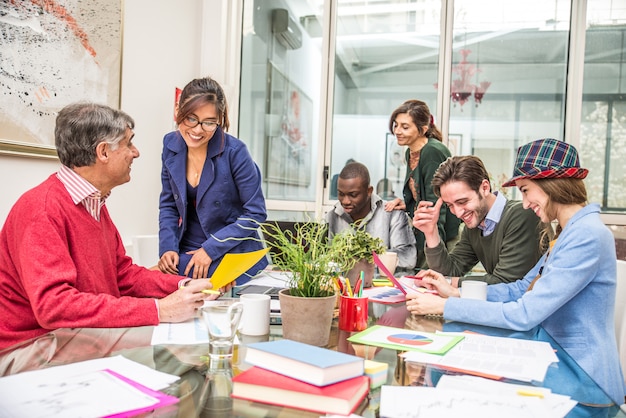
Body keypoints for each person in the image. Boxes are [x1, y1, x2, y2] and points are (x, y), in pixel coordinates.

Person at [406, 138, 626, 403]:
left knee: (457, 382)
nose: (523, 203)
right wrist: (455, 294)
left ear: (551, 185)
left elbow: (525, 313)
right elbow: (521, 288)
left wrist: (446, 306)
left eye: (525, 190)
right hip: (554, 356)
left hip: (583, 379)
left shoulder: (586, 235)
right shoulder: (571, 231)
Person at [0, 102, 220, 350]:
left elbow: (123, 276)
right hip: (31, 345)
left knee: (192, 340)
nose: (135, 153)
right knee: (177, 349)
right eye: (128, 143)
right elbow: (54, 307)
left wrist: (183, 285)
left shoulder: (93, 204)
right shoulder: (41, 209)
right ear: (103, 152)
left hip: (74, 334)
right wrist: (160, 309)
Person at [157, 77, 267, 284]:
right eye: (190, 118)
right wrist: (168, 247)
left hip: (231, 249)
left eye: (208, 122)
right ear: (178, 110)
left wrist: (210, 249)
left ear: (220, 119)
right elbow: (169, 205)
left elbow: (256, 213)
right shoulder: (170, 144)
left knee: (186, 283)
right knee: (165, 276)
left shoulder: (235, 152)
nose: (198, 130)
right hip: (187, 248)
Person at [413, 155, 546, 286]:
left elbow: (506, 282)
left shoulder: (522, 215)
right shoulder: (475, 226)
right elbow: (450, 271)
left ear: (485, 187)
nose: (458, 213)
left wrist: (452, 282)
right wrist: (431, 232)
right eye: (450, 206)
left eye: (462, 201)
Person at [385, 100, 460, 267]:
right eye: (396, 125)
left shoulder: (432, 152)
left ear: (423, 129)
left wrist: (433, 253)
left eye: (405, 127)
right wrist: (407, 203)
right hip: (426, 232)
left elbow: (437, 208)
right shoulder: (410, 153)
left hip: (442, 237)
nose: (397, 131)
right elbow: (423, 196)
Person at [326, 162, 417, 270]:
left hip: (384, 286)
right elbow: (325, 259)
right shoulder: (333, 217)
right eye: (341, 194)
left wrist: (360, 260)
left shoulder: (392, 214)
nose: (345, 201)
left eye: (353, 195)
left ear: (369, 191)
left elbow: (408, 258)